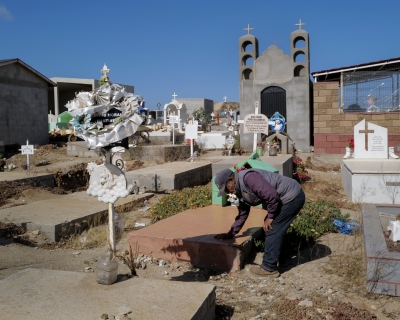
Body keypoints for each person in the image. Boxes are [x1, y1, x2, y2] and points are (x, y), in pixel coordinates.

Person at [214, 167, 305, 277]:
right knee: (274, 227)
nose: (227, 192)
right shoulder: (238, 190)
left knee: (272, 227)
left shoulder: (249, 178)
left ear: (231, 180)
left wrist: (270, 217)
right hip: (285, 199)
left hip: (293, 196)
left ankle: (269, 268)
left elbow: (271, 196)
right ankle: (283, 260)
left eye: (226, 189)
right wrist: (230, 233)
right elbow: (243, 214)